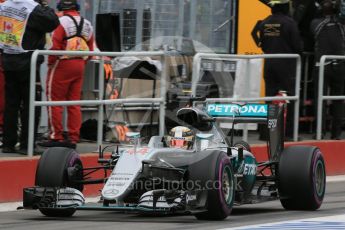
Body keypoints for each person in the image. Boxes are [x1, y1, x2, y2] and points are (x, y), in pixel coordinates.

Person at [0, 0, 59, 154]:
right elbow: (53, 22)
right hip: (28, 62)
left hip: (8, 58)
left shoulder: (4, 6)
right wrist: (44, 5)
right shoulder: (32, 8)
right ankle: (27, 145)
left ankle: (8, 143)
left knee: (11, 105)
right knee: (30, 105)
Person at [38, 0, 95, 149]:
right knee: (74, 103)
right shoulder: (87, 23)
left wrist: (50, 62)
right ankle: (74, 137)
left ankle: (55, 136)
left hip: (62, 64)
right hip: (80, 65)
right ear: (76, 7)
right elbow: (90, 49)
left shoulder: (60, 21)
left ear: (61, 7)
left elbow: (55, 46)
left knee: (54, 101)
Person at [251, 0, 302, 141]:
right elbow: (297, 46)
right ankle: (289, 133)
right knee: (290, 98)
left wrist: (262, 46)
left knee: (269, 98)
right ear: (286, 7)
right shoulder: (289, 23)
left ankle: (266, 133)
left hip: (269, 64)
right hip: (286, 65)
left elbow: (254, 34)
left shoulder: (265, 22)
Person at [310, 0, 345, 140]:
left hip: (330, 65)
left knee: (328, 100)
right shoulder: (339, 24)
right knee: (329, 100)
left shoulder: (318, 23)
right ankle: (328, 133)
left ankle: (328, 132)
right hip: (331, 65)